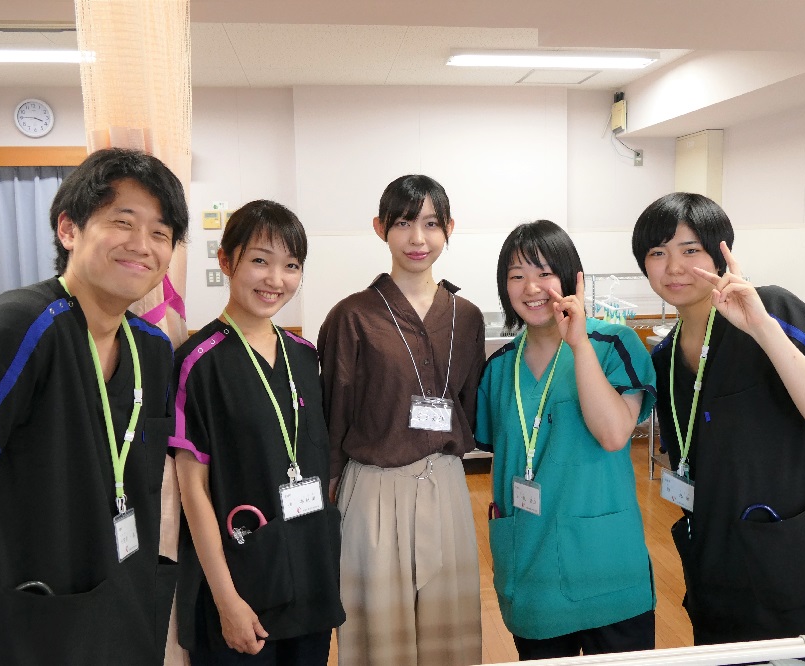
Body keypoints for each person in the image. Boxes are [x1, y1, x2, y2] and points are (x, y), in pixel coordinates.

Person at [0, 148, 189, 665]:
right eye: (123, 222)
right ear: (69, 229)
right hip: (19, 624)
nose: (142, 245)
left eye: (160, 233)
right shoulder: (17, 328)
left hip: (115, 616)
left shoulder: (151, 349)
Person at [632, 192, 805, 659]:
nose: (674, 267)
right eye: (658, 253)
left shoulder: (770, 309)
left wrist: (762, 329)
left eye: (690, 250)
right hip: (718, 571)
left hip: (800, 568)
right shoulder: (663, 359)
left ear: (720, 253)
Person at [318, 174, 484, 666]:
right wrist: (329, 491)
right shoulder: (352, 316)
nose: (417, 238)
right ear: (380, 228)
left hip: (446, 484)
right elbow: (334, 413)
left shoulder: (467, 316)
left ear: (449, 228)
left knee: (449, 636)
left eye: (431, 224)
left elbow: (470, 405)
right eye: (404, 223)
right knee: (379, 638)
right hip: (373, 487)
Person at [171, 200, 344, 665]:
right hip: (242, 583)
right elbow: (193, 491)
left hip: (309, 576)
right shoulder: (198, 363)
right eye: (260, 261)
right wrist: (227, 601)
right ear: (226, 261)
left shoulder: (304, 355)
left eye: (291, 265)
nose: (275, 279)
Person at [475, 220, 658, 660]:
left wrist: (578, 345)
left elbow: (614, 434)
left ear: (570, 276)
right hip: (530, 569)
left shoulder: (614, 344)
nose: (531, 287)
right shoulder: (499, 367)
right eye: (517, 275)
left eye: (544, 272)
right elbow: (505, 456)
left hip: (607, 568)